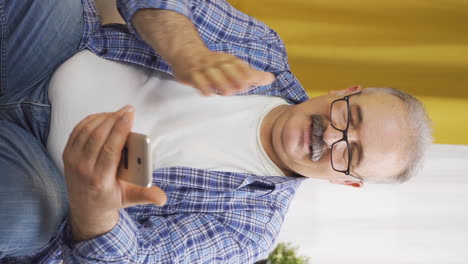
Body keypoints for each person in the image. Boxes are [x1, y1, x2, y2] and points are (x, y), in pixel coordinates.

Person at [0, 0, 432, 262]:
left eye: (350, 153)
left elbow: (137, 258)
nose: (332, 137)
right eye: (349, 118)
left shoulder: (248, 232)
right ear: (346, 90)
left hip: (42, 175)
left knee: (25, 217)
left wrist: (97, 209)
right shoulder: (263, 50)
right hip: (52, 56)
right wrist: (186, 50)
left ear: (347, 181)